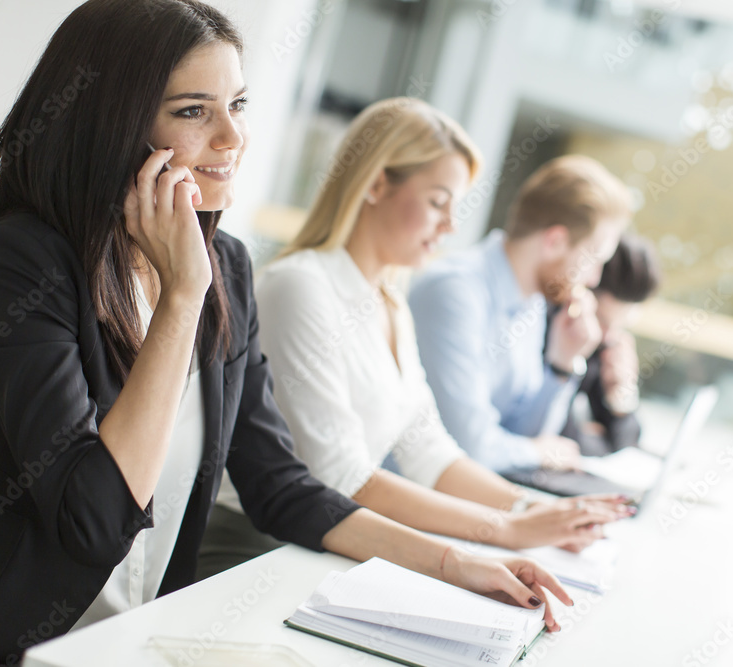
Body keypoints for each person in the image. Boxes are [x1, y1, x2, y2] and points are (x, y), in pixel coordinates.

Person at [0, 2, 570, 664]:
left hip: (130, 638)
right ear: (114, 125)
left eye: (237, 103)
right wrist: (182, 298)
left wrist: (453, 562)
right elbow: (90, 522)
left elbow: (278, 483)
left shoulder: (227, 264)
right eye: (192, 111)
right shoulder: (28, 260)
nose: (232, 137)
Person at [200, 100, 633, 580]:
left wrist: (536, 509)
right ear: (377, 183)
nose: (449, 226)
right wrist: (507, 529)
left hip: (331, 546)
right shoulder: (300, 287)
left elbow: (430, 451)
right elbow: (341, 478)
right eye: (437, 202)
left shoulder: (390, 302)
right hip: (255, 550)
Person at [409, 155, 631, 478]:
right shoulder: (456, 292)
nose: (594, 279)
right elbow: (469, 446)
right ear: (555, 242)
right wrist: (538, 452)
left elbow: (524, 433)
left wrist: (562, 363)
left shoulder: (533, 303)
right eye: (593, 259)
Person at [555, 234, 661, 456]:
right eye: (602, 321)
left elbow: (625, 438)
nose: (608, 336)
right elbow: (560, 438)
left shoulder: (604, 349)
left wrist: (621, 395)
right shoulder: (557, 334)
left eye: (620, 325)